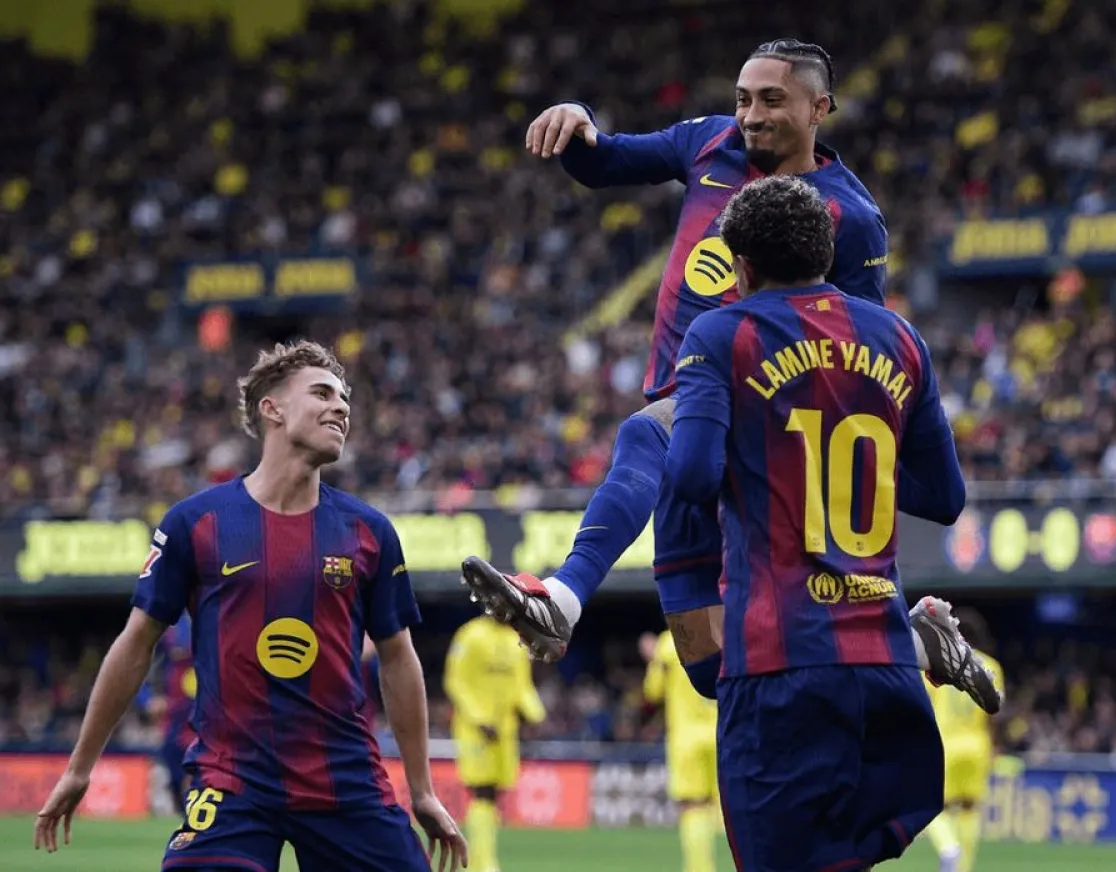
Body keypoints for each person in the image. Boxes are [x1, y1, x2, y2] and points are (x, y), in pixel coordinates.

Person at [461, 38, 998, 717]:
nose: (751, 115)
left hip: (762, 412)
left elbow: (856, 340)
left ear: (819, 108)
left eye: (772, 99)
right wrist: (576, 123)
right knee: (710, 666)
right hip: (685, 414)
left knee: (643, 436)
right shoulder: (709, 143)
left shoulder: (852, 218)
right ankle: (917, 643)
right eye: (744, 99)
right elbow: (606, 162)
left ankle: (562, 599)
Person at [34, 340, 467, 872]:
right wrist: (80, 768)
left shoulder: (369, 531)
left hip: (345, 782)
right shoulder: (195, 523)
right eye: (323, 393)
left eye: (345, 399)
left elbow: (399, 659)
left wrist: (422, 791)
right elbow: (136, 643)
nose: (341, 407)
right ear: (272, 408)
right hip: (232, 784)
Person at [664, 175, 974, 871]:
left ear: (742, 267)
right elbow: (945, 496)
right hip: (887, 669)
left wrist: (766, 455)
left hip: (781, 668)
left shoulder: (721, 332)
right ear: (827, 254)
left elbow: (690, 476)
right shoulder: (899, 337)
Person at [443, 614, 546, 872]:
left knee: (495, 795)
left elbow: (522, 686)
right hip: (475, 730)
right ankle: (483, 863)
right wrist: (478, 719)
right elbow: (455, 682)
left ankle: (480, 861)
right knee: (482, 791)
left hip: (505, 731)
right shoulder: (469, 635)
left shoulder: (515, 641)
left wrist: (536, 715)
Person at [922, 609, 1006, 872]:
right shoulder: (992, 666)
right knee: (970, 809)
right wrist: (995, 745)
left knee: (935, 806)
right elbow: (995, 712)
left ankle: (949, 848)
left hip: (947, 745)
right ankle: (963, 868)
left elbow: (925, 707)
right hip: (978, 746)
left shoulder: (938, 665)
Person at [641, 630, 721, 872]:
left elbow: (653, 691)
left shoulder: (669, 642)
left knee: (693, 806)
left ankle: (700, 869)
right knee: (724, 806)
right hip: (721, 732)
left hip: (686, 738)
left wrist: (653, 659)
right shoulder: (722, 634)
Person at [148, 613, 198, 814]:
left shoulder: (218, 615)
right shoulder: (170, 624)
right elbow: (145, 659)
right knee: (175, 771)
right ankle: (182, 810)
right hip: (175, 716)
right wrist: (150, 697)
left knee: (199, 769)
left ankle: (197, 816)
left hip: (206, 712)